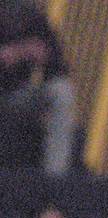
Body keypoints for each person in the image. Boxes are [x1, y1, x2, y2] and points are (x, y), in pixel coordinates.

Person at [0, 0, 76, 174]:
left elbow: (58, 64)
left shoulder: (29, 14)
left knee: (61, 92)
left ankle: (54, 178)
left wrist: (42, 55)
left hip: (14, 94)